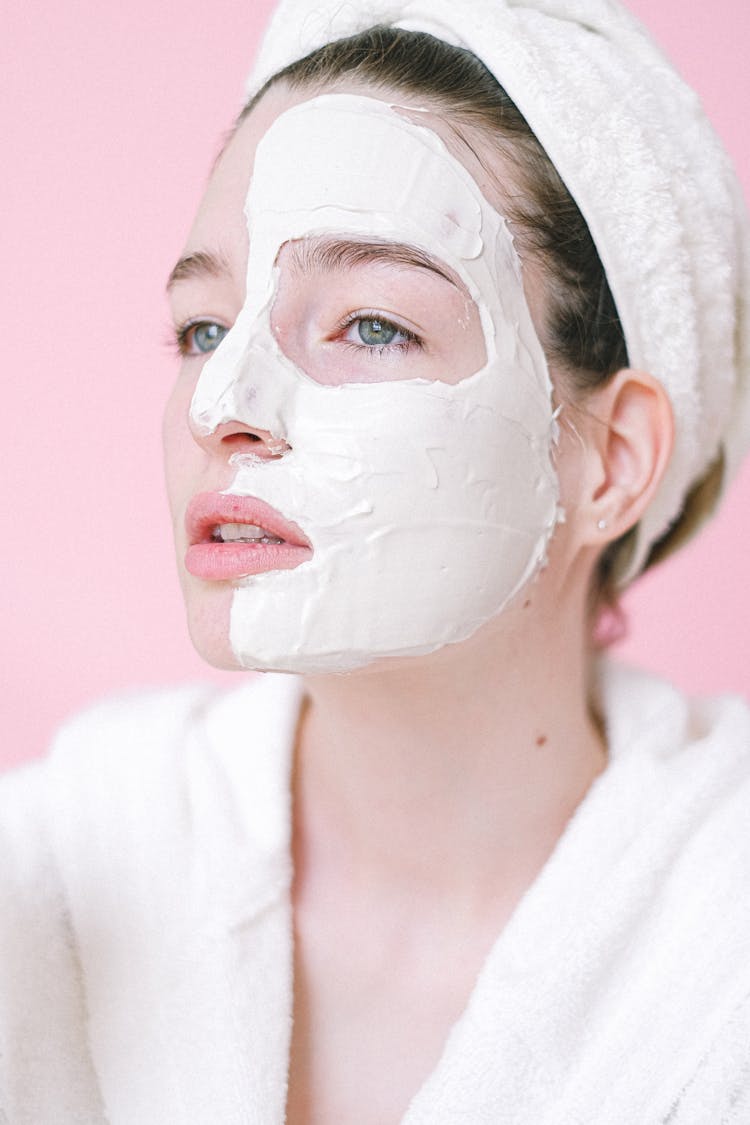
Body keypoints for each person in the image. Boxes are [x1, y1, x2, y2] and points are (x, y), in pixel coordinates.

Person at [2, 0, 749, 1122]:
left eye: (371, 325)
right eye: (204, 328)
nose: (222, 404)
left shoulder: (720, 959)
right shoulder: (60, 877)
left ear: (610, 460)